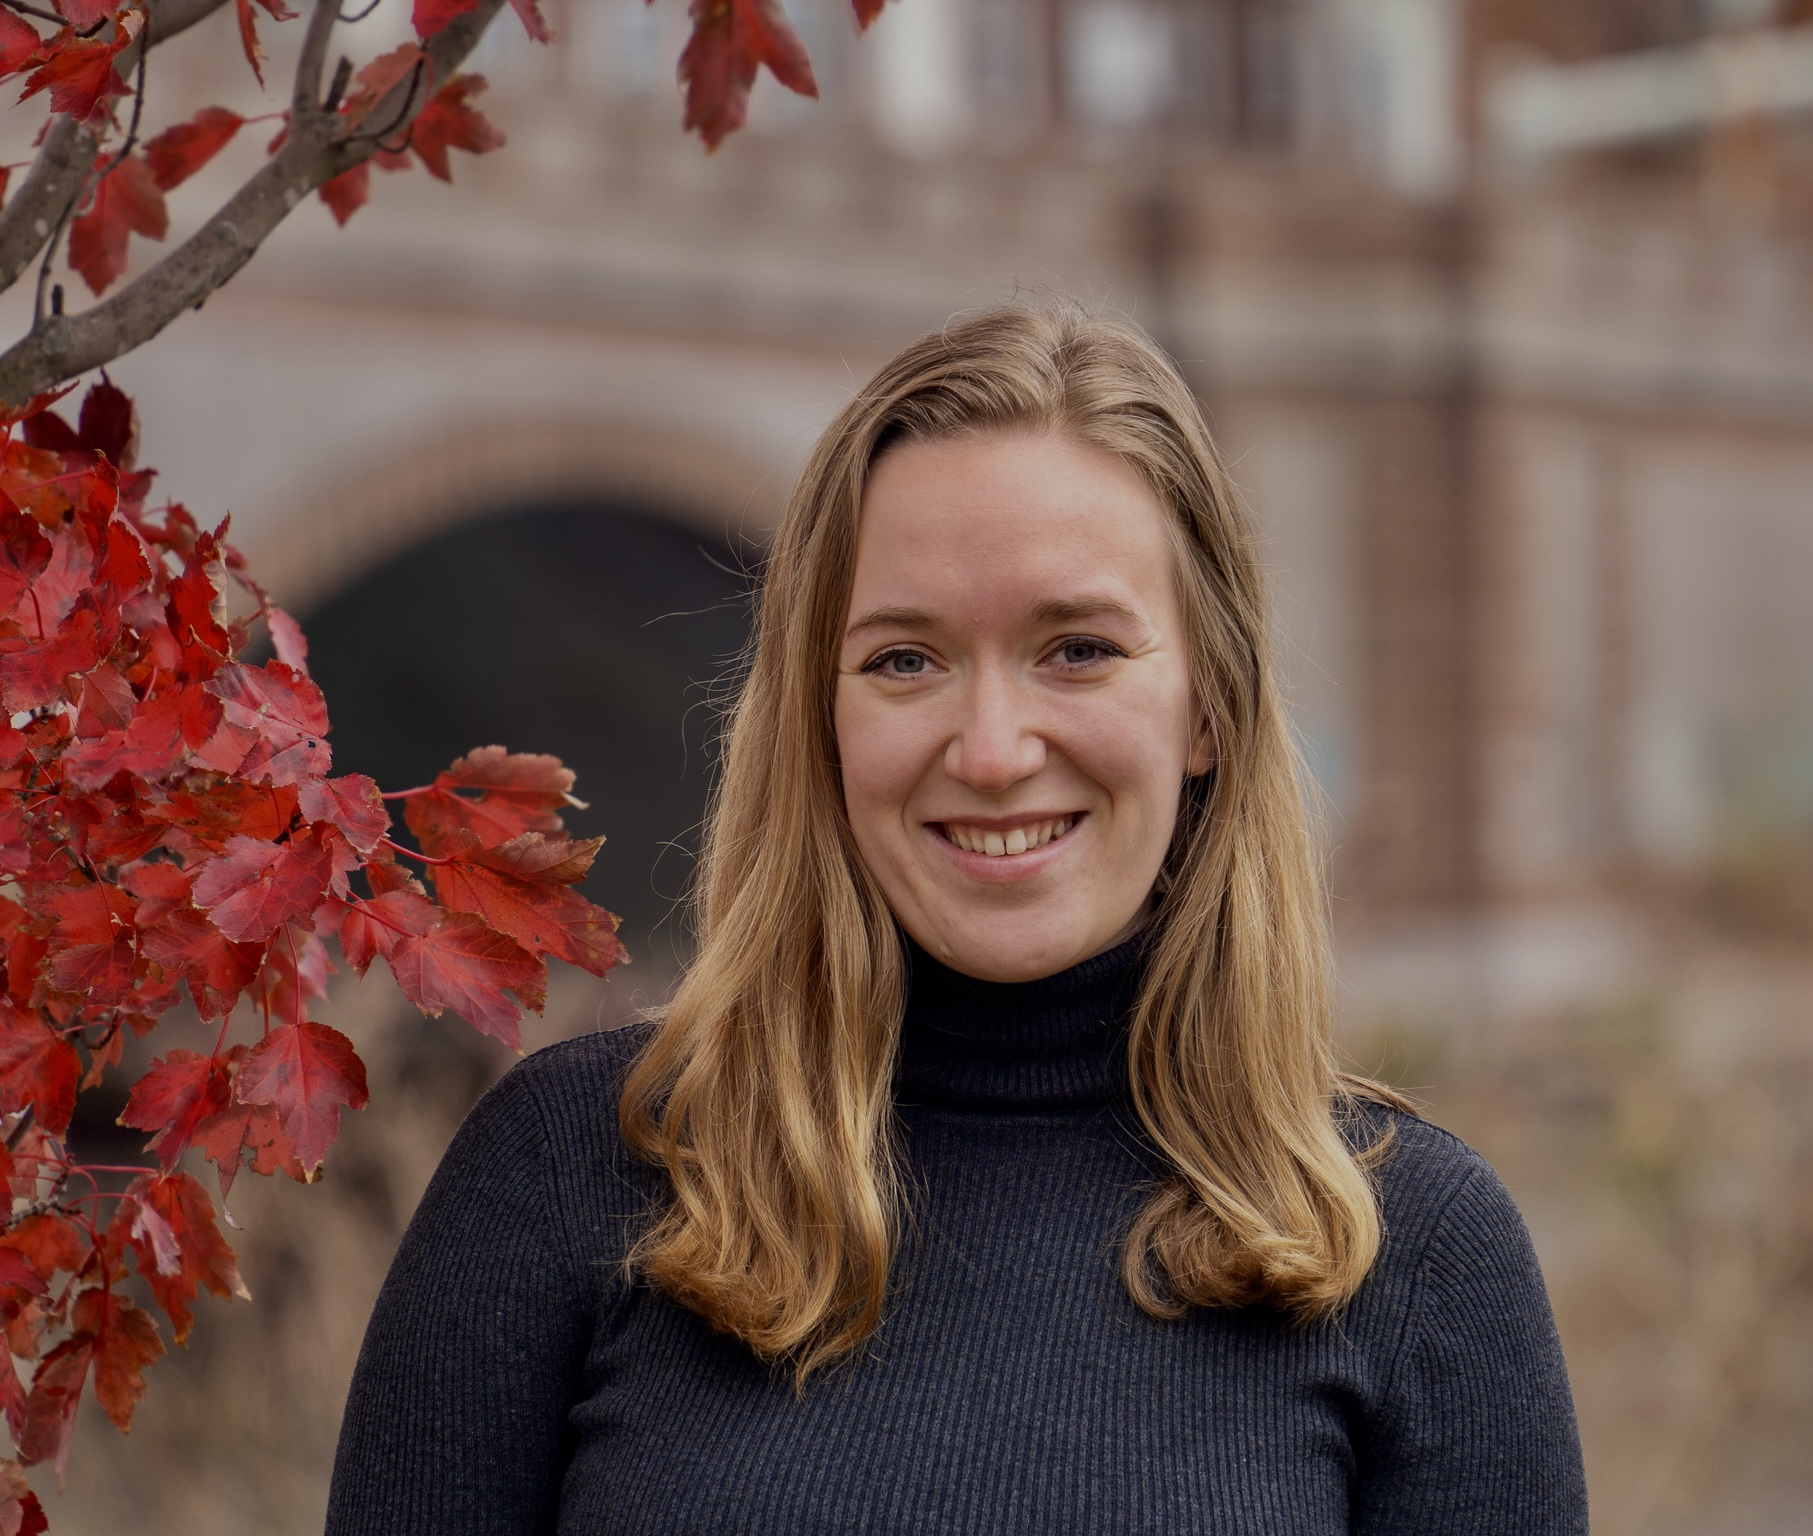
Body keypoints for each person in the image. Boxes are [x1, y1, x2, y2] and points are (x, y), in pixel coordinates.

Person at [325, 304, 1587, 1534]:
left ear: (1207, 708)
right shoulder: (564, 1180)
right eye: (904, 661)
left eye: (1078, 648)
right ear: (820, 721)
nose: (990, 753)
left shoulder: (1411, 1254)